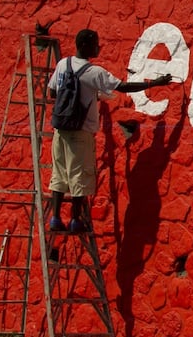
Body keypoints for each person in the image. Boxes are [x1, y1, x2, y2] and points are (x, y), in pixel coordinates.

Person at [47, 28, 173, 232]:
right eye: (96, 43)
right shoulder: (94, 72)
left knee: (59, 173)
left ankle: (54, 219)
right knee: (80, 175)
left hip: (60, 131)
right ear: (85, 46)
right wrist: (154, 83)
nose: (99, 46)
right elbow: (123, 87)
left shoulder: (63, 64)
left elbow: (53, 91)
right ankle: (75, 220)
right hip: (81, 133)